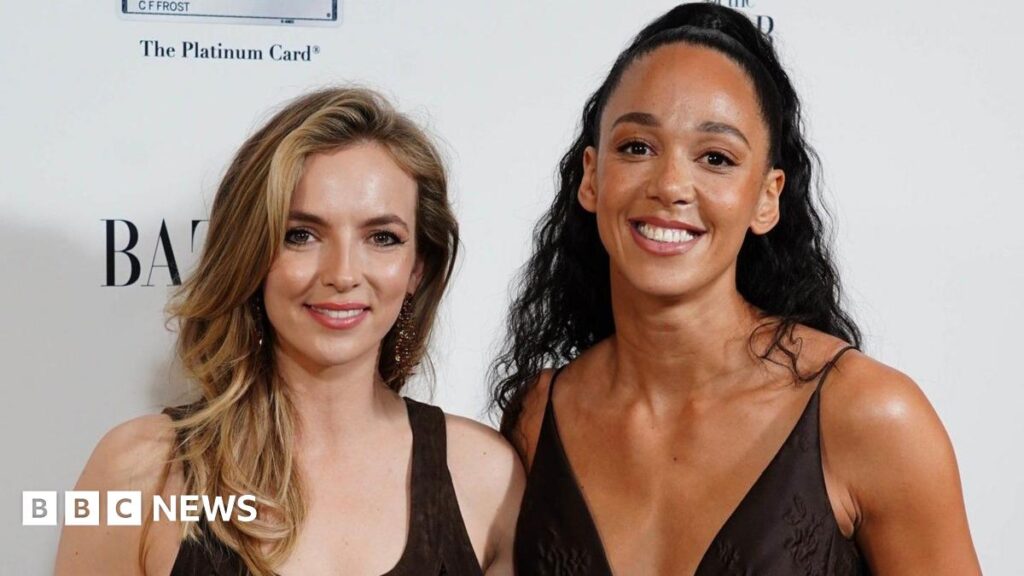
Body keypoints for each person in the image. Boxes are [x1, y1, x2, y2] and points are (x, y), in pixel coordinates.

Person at [491, 4, 980, 574]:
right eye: (637, 148)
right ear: (592, 177)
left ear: (767, 197)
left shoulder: (870, 417)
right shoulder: (538, 415)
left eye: (716, 158)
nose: (671, 184)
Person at [55, 87, 523, 576]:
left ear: (416, 271)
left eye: (381, 238)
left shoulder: (485, 477)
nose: (343, 273)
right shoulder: (139, 472)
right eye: (300, 234)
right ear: (251, 255)